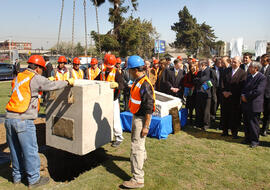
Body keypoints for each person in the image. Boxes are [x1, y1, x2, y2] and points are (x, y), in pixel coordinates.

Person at [5, 55, 73, 188]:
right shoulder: (34, 78)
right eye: (42, 69)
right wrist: (67, 82)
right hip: (23, 120)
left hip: (9, 119)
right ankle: (34, 180)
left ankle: (17, 177)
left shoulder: (19, 76)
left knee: (15, 150)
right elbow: (52, 85)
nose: (42, 71)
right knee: (30, 150)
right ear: (37, 68)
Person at [122, 55, 155, 189]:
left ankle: (138, 179)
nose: (128, 72)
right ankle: (142, 159)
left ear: (135, 70)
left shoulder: (145, 84)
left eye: (129, 70)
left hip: (142, 119)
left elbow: (149, 109)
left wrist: (146, 126)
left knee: (136, 147)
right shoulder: (138, 81)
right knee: (139, 145)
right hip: (137, 117)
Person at [96, 54, 124, 147]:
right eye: (107, 67)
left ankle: (119, 137)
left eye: (110, 67)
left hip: (113, 99)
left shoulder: (116, 72)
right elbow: (95, 81)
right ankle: (106, 136)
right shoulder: (102, 72)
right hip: (104, 99)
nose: (108, 69)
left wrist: (117, 85)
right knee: (104, 118)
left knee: (115, 119)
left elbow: (122, 85)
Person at [241, 62, 266, 148]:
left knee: (254, 124)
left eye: (251, 67)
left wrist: (246, 96)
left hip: (255, 104)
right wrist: (243, 95)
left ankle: (255, 140)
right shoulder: (248, 77)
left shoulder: (262, 78)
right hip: (246, 104)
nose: (249, 68)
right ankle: (247, 138)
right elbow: (244, 88)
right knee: (246, 122)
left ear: (256, 69)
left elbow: (258, 91)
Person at [221, 56, 246, 138]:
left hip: (235, 98)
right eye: (232, 61)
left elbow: (241, 86)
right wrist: (224, 91)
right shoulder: (226, 71)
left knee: (234, 116)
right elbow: (222, 82)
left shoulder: (243, 73)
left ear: (239, 63)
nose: (232, 63)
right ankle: (224, 131)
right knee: (225, 114)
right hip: (225, 97)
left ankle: (234, 132)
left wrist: (231, 93)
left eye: (235, 62)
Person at [194, 60, 212, 130]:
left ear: (203, 65)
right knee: (199, 109)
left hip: (206, 94)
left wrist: (199, 80)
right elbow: (195, 80)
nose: (198, 67)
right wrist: (199, 80)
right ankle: (199, 123)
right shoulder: (200, 72)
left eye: (199, 65)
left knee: (206, 110)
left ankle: (206, 124)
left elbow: (204, 79)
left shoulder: (209, 71)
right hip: (199, 93)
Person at [260, 54, 270, 136]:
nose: (261, 62)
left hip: (268, 95)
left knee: (267, 113)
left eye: (263, 60)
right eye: (261, 60)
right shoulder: (259, 69)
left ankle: (264, 129)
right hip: (259, 95)